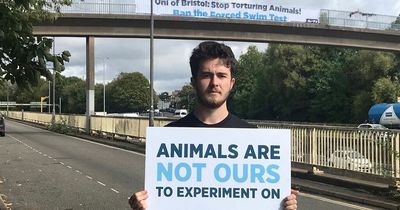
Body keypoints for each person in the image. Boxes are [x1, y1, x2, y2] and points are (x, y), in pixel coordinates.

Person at [129, 41, 298, 210]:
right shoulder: (169, 137)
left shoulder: (252, 137)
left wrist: (281, 206)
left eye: (221, 75)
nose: (214, 82)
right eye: (206, 75)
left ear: (231, 83)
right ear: (193, 82)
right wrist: (142, 206)